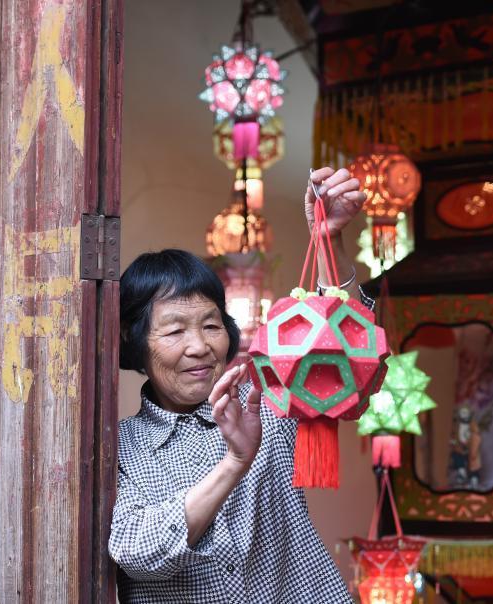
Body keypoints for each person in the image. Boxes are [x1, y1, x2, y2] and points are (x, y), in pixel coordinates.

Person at [109, 167, 366, 603]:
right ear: (136, 346)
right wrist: (235, 462)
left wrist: (329, 240)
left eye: (211, 325)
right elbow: (137, 553)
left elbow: (341, 351)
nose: (199, 346)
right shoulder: (121, 446)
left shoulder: (267, 400)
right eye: (174, 332)